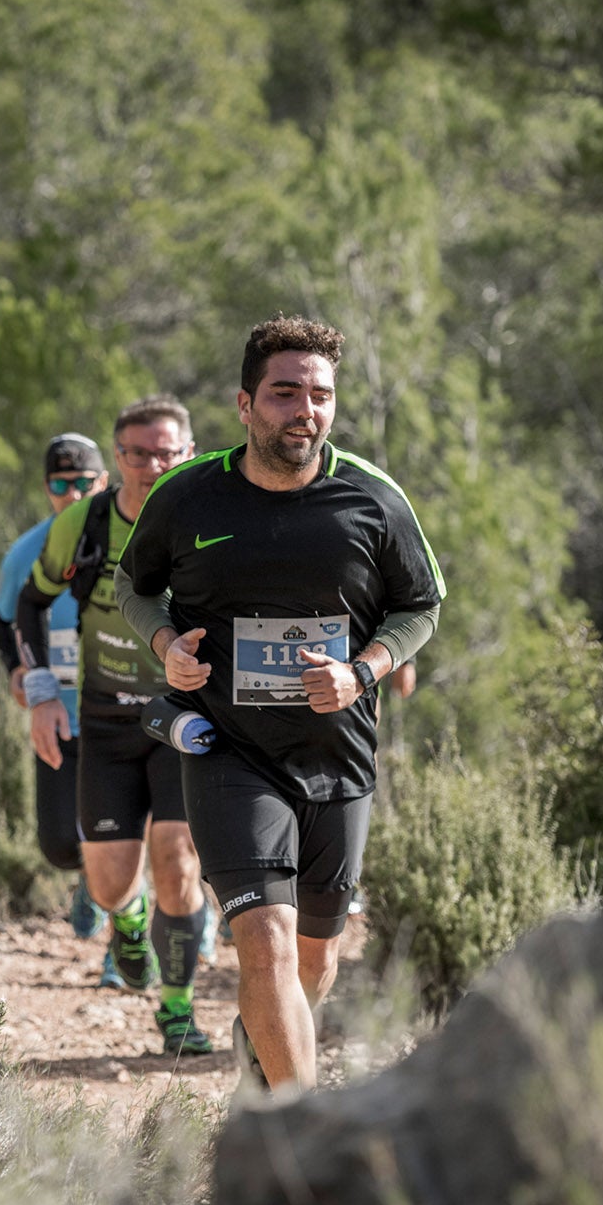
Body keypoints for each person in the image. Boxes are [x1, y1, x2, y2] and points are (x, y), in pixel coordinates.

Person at [116, 316, 442, 1093]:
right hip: (233, 753)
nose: (305, 410)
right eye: (285, 392)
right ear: (245, 403)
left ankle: (262, 1060)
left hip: (338, 757)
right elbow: (136, 585)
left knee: (315, 960)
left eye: (320, 395)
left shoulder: (372, 498)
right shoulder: (188, 495)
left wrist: (363, 671)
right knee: (265, 943)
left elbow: (421, 606)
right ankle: (301, 1135)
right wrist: (168, 647)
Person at [16, 397, 217, 1055]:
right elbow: (30, 603)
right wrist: (42, 690)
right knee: (107, 881)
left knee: (178, 860)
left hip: (181, 715)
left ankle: (178, 1011)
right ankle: (126, 921)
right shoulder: (83, 524)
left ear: (188, 452)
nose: (151, 466)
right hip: (104, 716)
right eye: (136, 453)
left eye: (166, 453)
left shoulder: (211, 516)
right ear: (118, 456)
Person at [0, 434, 112, 945]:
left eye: (85, 482)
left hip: (119, 709)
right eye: (62, 483)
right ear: (47, 488)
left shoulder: (129, 538)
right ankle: (92, 877)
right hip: (56, 711)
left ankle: (126, 930)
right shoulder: (26, 551)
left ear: (103, 482)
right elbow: (0, 620)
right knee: (61, 844)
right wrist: (18, 670)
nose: (74, 493)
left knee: (127, 832)